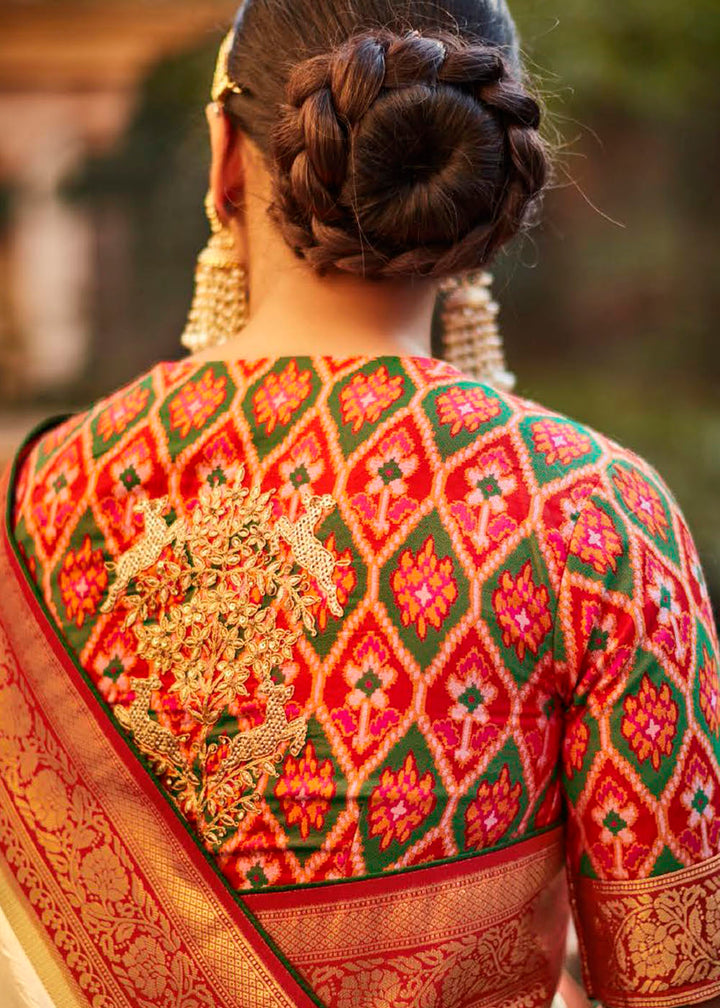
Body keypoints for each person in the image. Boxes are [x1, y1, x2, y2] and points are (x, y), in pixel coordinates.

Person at [0, 1, 718, 1006]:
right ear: (484, 191)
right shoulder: (593, 517)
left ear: (223, 159)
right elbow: (676, 979)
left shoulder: (39, 495)